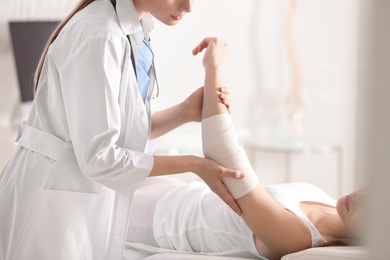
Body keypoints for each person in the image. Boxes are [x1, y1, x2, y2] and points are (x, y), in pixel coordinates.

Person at [0, 1, 245, 259]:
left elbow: (121, 130)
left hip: (76, 204)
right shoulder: (99, 35)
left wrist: (185, 111)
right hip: (48, 213)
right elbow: (99, 157)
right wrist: (195, 165)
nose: (188, 6)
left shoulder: (135, 31)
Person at [126, 38, 367, 260]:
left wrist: (213, 66)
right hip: (172, 192)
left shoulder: (296, 237)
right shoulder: (324, 200)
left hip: (155, 221)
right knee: (110, 142)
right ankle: (186, 110)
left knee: (101, 160)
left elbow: (224, 157)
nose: (361, 198)